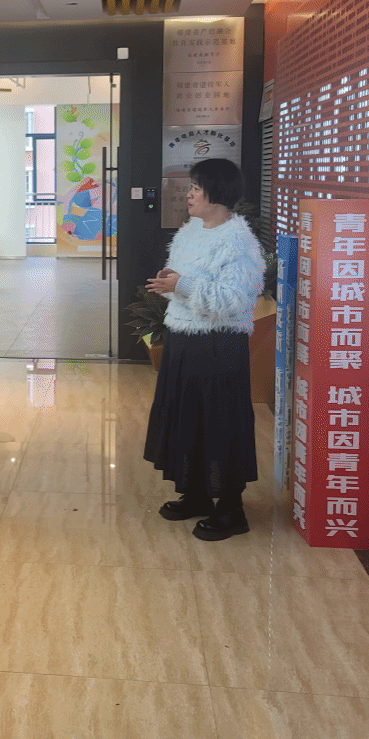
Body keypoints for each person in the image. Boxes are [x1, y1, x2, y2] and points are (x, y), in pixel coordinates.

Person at [142, 158, 265, 542]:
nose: (189, 194)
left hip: (218, 345)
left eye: (196, 188)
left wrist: (181, 285)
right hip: (183, 337)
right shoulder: (190, 230)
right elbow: (182, 282)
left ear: (216, 193)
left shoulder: (239, 243)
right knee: (187, 418)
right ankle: (195, 493)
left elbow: (232, 300)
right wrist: (171, 283)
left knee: (220, 423)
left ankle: (231, 508)